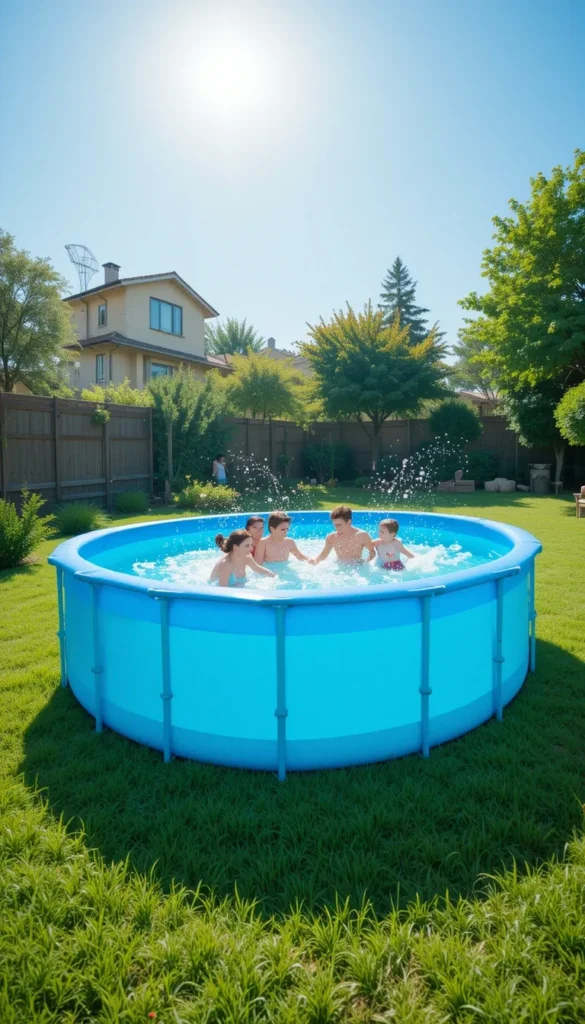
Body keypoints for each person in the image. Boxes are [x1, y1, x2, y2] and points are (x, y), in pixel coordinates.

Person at [310, 505, 375, 564]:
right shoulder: (331, 538)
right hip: (340, 568)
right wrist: (315, 560)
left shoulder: (362, 535)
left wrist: (365, 563)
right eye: (335, 525)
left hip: (357, 568)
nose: (337, 528)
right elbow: (323, 555)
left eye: (339, 525)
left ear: (349, 522)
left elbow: (372, 552)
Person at [209, 530, 276, 587]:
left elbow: (257, 569)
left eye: (251, 545)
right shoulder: (226, 565)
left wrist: (272, 575)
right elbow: (222, 590)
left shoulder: (247, 557)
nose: (251, 548)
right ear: (235, 547)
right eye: (247, 546)